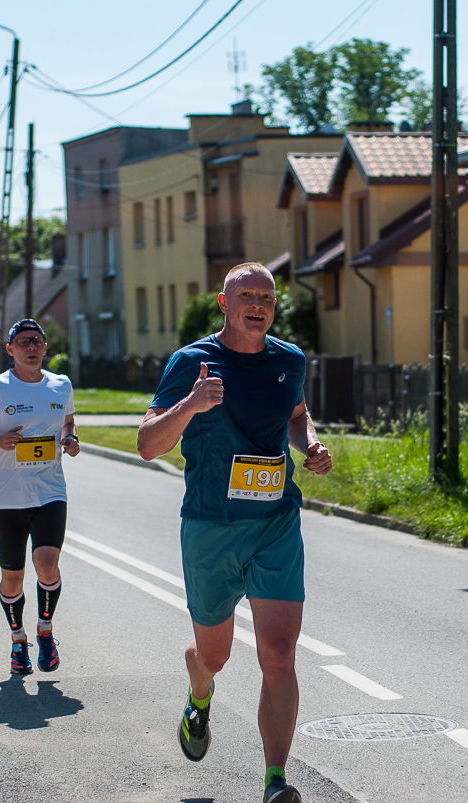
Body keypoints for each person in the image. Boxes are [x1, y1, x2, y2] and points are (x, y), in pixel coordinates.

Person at [137, 263, 333, 803]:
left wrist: (309, 444)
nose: (257, 303)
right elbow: (148, 443)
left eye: (265, 296)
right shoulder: (191, 362)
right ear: (224, 304)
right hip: (211, 527)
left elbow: (297, 412)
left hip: (275, 523)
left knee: (279, 652)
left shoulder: (289, 360)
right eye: (245, 294)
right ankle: (199, 692)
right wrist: (192, 403)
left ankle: (275, 782)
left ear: (274, 306)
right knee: (216, 655)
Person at [0, 319, 80, 677]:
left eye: (39, 341)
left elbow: (69, 423)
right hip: (9, 499)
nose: (33, 347)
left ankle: (45, 630)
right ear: (10, 349)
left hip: (50, 492)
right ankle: (18, 639)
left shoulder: (61, 385)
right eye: (24, 341)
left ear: (45, 348)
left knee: (47, 564)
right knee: (12, 578)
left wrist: (71, 440)